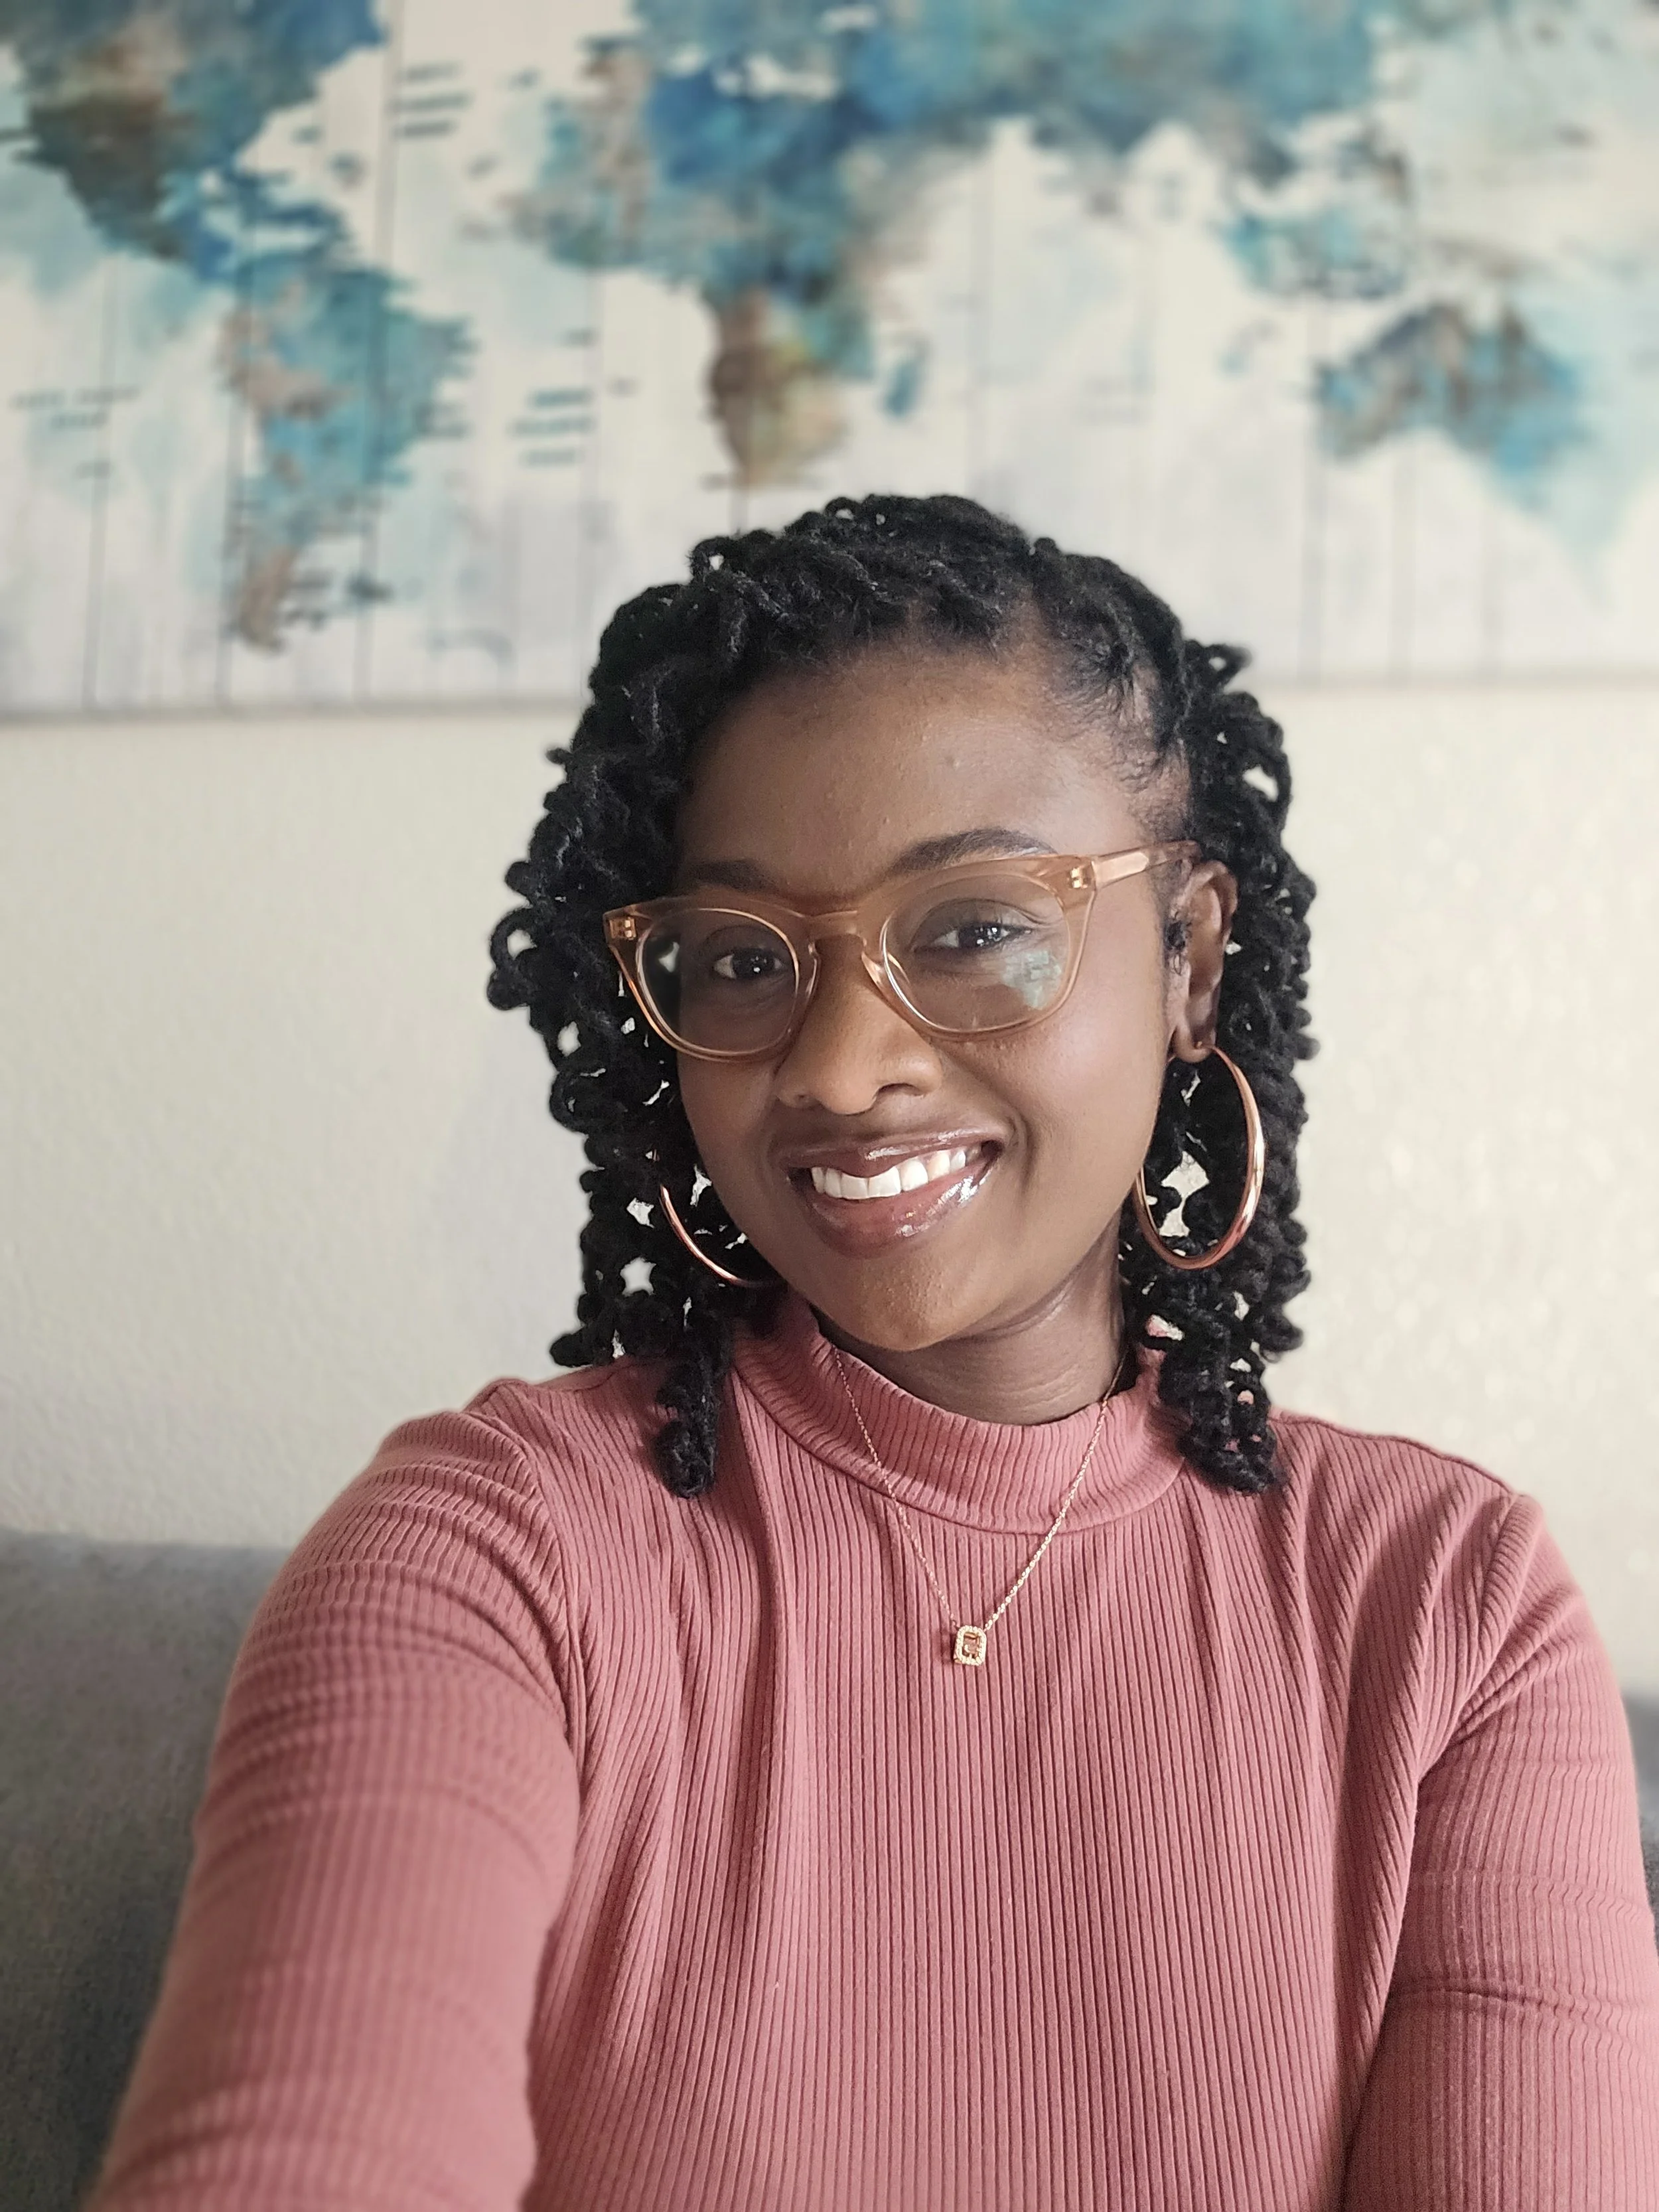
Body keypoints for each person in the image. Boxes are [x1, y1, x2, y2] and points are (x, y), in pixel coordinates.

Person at [88, 495, 1659, 2210]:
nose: (839, 1067)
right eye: (742, 958)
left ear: (1190, 959)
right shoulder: (492, 1557)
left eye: (974, 926)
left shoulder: (1444, 1613)